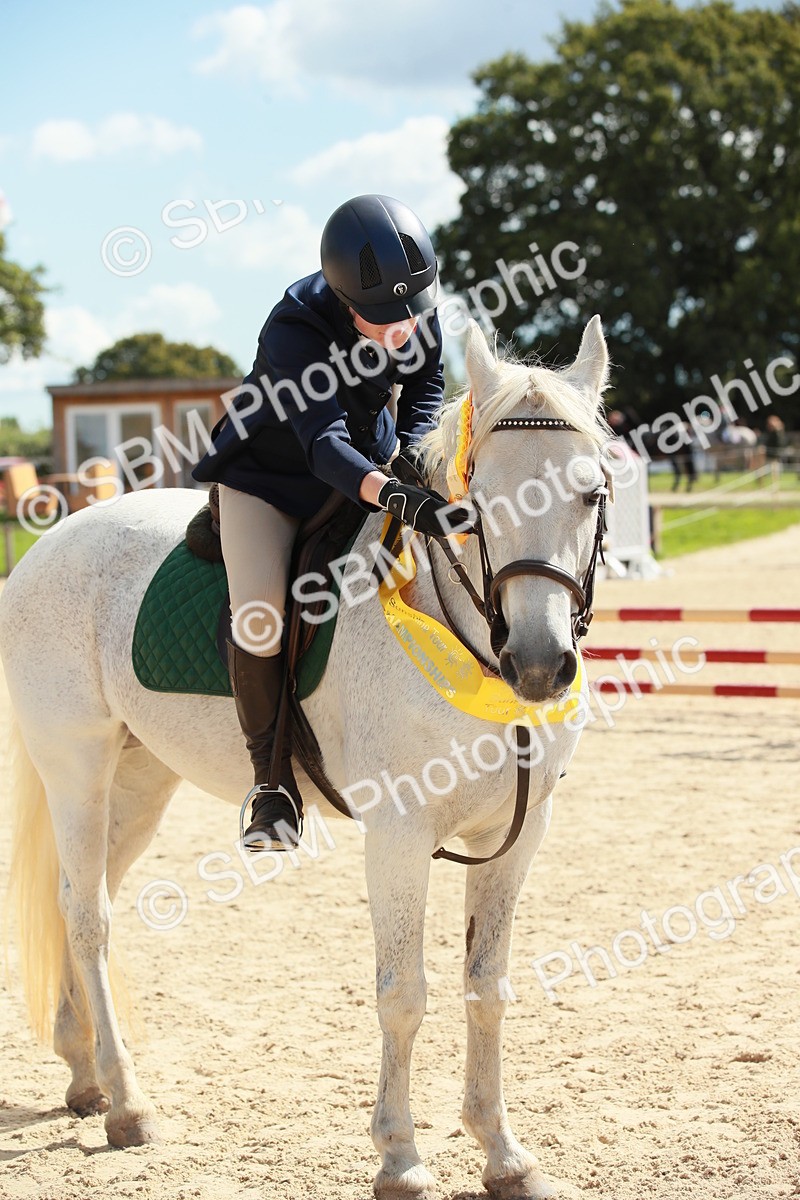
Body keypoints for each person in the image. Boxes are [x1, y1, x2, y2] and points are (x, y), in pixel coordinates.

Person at [192, 194, 472, 853]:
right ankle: (271, 788)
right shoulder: (294, 330)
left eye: (411, 313)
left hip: (369, 462)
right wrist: (393, 494)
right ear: (345, 298)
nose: (402, 328)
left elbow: (429, 380)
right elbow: (323, 444)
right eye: (382, 319)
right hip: (270, 480)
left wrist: (410, 449)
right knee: (259, 616)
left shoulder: (409, 307)